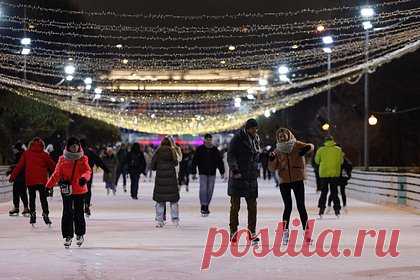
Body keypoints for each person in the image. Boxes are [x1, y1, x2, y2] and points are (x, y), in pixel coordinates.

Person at [268, 128, 314, 245]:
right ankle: (285, 233)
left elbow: (310, 146)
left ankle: (307, 233)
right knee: (287, 207)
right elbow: (272, 168)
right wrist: (272, 159)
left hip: (297, 178)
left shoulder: (296, 144)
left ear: (289, 136)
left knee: (301, 206)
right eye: (280, 137)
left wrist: (306, 149)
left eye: (284, 136)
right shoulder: (277, 150)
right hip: (284, 181)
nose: (282, 138)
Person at [46, 137, 92, 248]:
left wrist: (84, 178)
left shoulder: (83, 158)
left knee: (78, 212)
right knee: (67, 212)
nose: (75, 147)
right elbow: (56, 174)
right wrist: (48, 186)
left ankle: (80, 234)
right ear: (68, 147)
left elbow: (88, 171)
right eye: (72, 145)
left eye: (76, 145)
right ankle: (67, 235)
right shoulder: (62, 159)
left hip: (79, 189)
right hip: (66, 189)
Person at [227, 119, 261, 243]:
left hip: (251, 177)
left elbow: (256, 156)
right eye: (253, 128)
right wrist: (235, 169)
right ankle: (233, 231)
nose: (255, 131)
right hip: (238, 176)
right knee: (235, 206)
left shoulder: (256, 139)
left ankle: (251, 232)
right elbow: (230, 155)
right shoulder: (237, 138)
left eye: (256, 128)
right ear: (247, 128)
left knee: (252, 206)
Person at [9, 137, 56, 226]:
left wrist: (12, 176)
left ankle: (33, 215)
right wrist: (59, 176)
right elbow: (52, 166)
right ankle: (45, 214)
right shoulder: (44, 154)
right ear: (42, 145)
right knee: (43, 198)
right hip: (42, 180)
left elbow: (19, 166)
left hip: (30, 180)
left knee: (32, 198)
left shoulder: (26, 154)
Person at [192, 134, 225, 216]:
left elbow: (219, 161)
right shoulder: (200, 149)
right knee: (203, 189)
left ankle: (206, 205)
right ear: (204, 140)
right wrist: (193, 172)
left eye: (210, 139)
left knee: (210, 190)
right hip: (202, 172)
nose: (208, 141)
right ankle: (203, 205)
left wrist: (222, 171)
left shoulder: (215, 150)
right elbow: (194, 161)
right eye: (207, 139)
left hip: (212, 173)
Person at [151, 137, 180, 227]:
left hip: (160, 179)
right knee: (173, 200)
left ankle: (160, 220)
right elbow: (176, 163)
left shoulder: (158, 151)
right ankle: (175, 220)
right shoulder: (172, 151)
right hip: (171, 178)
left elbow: (153, 165)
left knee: (160, 201)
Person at [315, 136, 344, 218]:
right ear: (333, 141)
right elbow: (341, 161)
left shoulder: (321, 150)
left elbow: (317, 161)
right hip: (335, 173)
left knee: (324, 192)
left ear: (325, 141)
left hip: (324, 174)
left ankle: (321, 209)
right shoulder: (338, 150)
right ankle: (337, 210)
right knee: (334, 192)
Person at [80, 139, 109, 217]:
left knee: (79, 189)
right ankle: (87, 204)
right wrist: (106, 169)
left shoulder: (76, 152)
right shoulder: (90, 152)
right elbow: (98, 160)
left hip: (78, 173)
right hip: (88, 173)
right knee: (88, 189)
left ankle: (80, 204)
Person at [7, 142, 29, 216]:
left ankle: (24, 208)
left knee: (21, 192)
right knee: (17, 192)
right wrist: (11, 170)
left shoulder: (22, 155)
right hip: (18, 177)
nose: (14, 150)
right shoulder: (18, 155)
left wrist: (11, 168)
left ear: (18, 149)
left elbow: (20, 165)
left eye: (15, 148)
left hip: (21, 177)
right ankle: (18, 207)